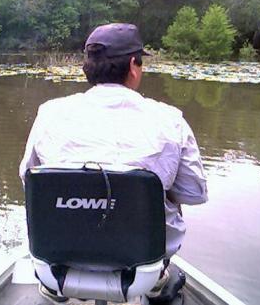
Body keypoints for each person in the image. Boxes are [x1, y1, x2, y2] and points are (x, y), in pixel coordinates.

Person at [19, 23, 208, 302]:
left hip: (58, 261)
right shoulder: (170, 121)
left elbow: (29, 179)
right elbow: (194, 194)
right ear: (134, 65)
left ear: (88, 66)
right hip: (141, 265)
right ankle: (155, 284)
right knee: (169, 194)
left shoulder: (50, 113)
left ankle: (53, 286)